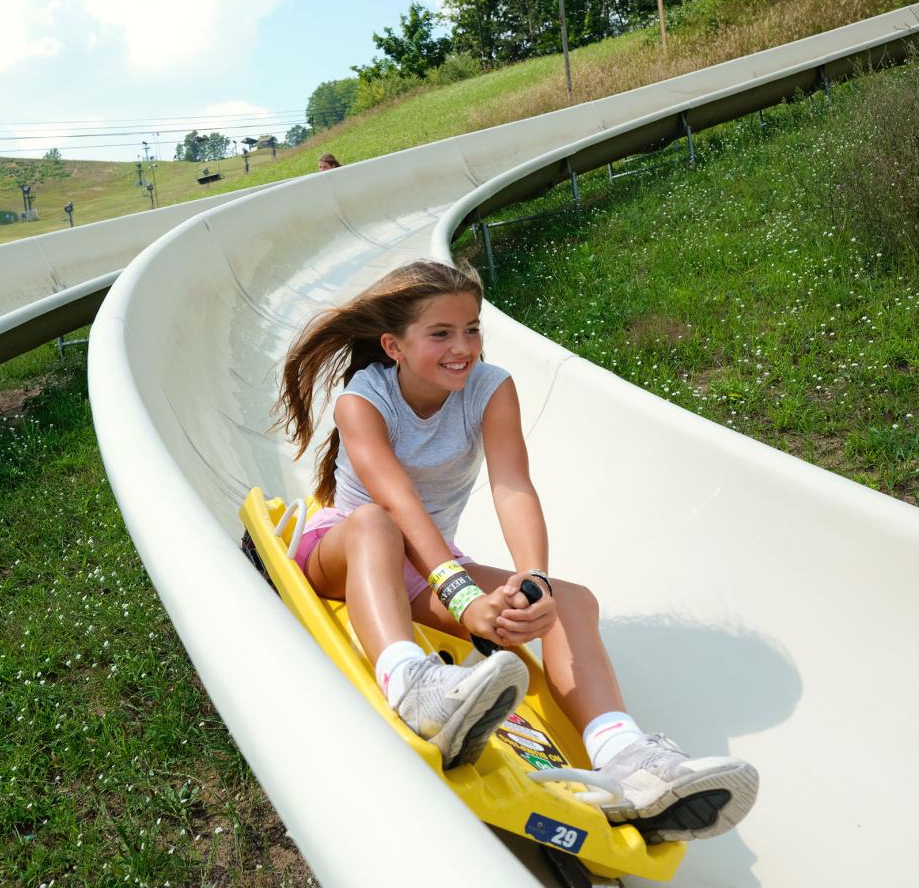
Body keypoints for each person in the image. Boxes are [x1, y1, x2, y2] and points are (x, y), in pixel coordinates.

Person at [274, 260, 757, 842]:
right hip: (347, 551)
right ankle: (412, 686)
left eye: (472, 328)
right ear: (392, 345)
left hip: (425, 565)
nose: (463, 347)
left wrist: (534, 586)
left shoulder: (490, 387)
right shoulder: (364, 399)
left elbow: (512, 486)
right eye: (441, 333)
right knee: (378, 522)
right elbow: (400, 506)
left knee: (573, 602)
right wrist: (462, 597)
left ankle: (625, 756)